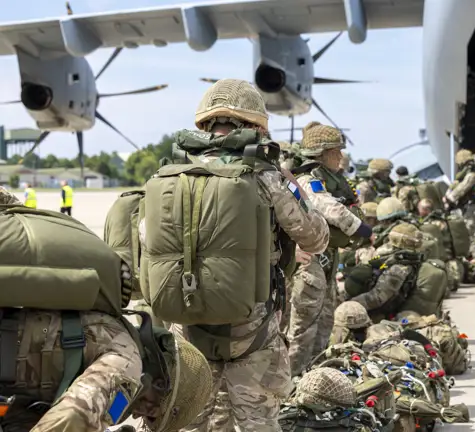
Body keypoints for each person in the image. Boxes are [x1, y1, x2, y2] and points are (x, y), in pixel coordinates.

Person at [145, 78, 330, 431]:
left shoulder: (171, 173)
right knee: (257, 424)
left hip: (186, 329)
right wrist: (293, 184)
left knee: (192, 422)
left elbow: (148, 241)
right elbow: (315, 237)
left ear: (205, 124)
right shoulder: (266, 174)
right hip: (252, 333)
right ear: (257, 126)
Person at [0, 201, 213, 432]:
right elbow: (73, 418)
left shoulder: (116, 331)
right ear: (160, 385)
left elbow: (26, 413)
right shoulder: (128, 365)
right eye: (152, 414)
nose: (140, 414)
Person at [289, 121, 372, 377]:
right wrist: (361, 229)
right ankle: (290, 381)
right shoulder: (308, 180)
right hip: (310, 263)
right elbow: (329, 208)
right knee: (303, 329)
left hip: (326, 260)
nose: (341, 157)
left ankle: (312, 378)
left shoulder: (329, 179)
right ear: (323, 154)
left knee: (324, 324)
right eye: (337, 152)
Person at [418, 198, 463, 291]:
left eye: (420, 208)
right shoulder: (440, 221)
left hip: (441, 256)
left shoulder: (431, 224)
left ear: (425, 210)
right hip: (446, 257)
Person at [444, 149, 475, 257]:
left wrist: (449, 199)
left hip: (471, 207)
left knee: (469, 234)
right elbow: (456, 186)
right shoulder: (464, 174)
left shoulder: (472, 175)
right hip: (465, 207)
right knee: (466, 233)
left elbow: (462, 188)